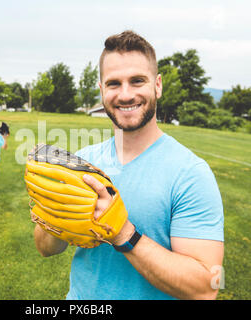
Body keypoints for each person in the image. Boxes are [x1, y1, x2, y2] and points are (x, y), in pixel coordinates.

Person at [33, 30, 224, 300]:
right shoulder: (82, 162)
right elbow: (45, 249)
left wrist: (123, 233)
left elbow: (206, 288)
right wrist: (54, 216)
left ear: (157, 85)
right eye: (113, 83)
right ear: (101, 91)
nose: (125, 94)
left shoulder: (191, 174)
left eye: (137, 81)